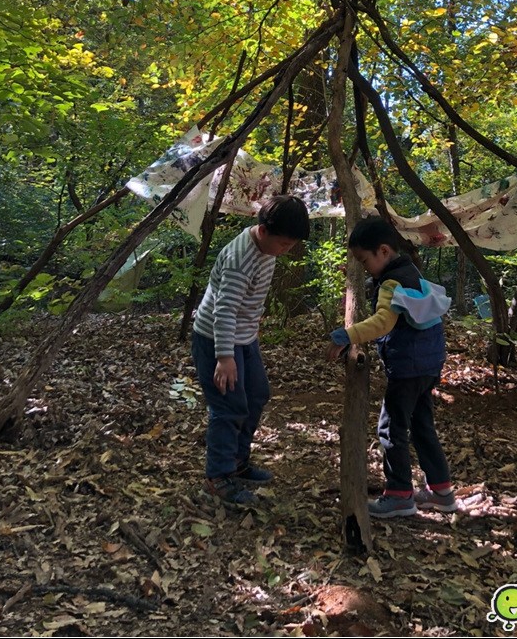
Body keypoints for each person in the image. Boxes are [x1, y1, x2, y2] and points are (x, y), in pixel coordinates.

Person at [326, 216, 456, 519]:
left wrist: (348, 335)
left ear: (383, 251)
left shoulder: (391, 283)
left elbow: (384, 321)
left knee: (391, 426)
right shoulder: (412, 272)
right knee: (422, 425)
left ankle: (399, 494)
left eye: (364, 260)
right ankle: (442, 492)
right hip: (429, 364)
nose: (363, 266)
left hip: (408, 367)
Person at [192, 195, 310, 506]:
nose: (285, 250)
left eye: (290, 245)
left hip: (244, 338)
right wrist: (225, 357)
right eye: (283, 244)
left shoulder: (268, 250)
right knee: (228, 407)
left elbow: (248, 304)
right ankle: (217, 478)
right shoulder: (239, 260)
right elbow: (224, 311)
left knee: (257, 395)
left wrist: (249, 335)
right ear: (263, 230)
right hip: (216, 339)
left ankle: (237, 462)